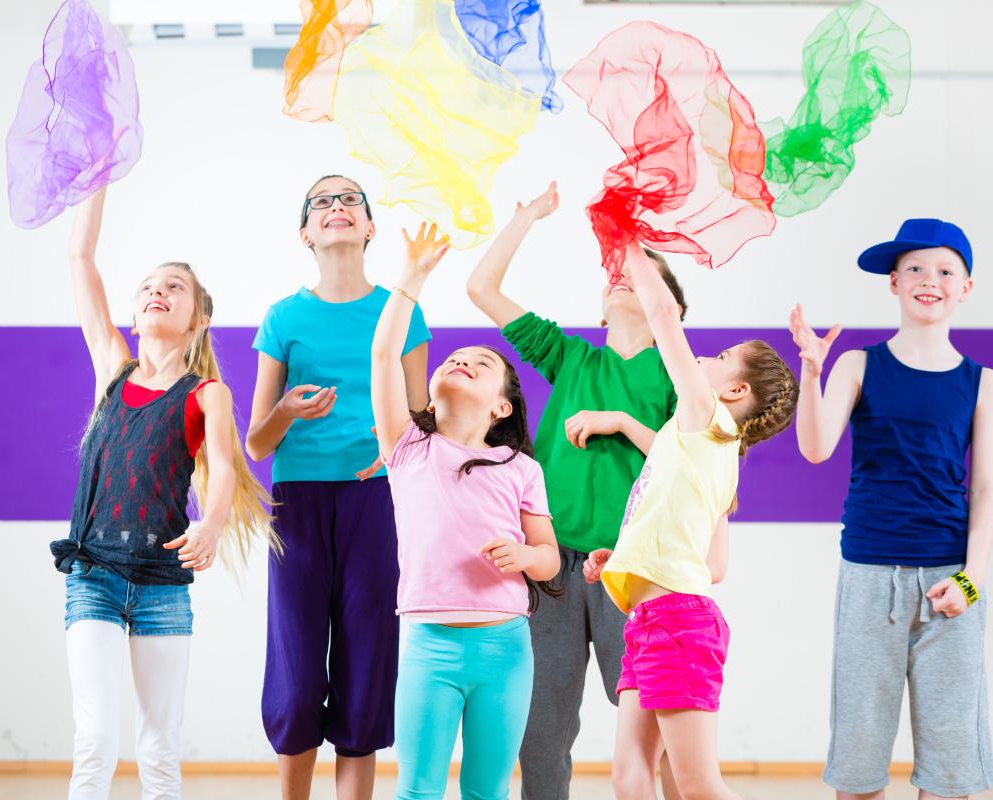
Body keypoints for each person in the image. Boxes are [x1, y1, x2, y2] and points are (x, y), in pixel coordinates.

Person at [466, 182, 690, 800]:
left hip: (635, 567)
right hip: (553, 567)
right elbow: (481, 289)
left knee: (662, 727)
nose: (624, 275)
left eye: (643, 273)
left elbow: (695, 466)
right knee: (542, 729)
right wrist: (527, 217)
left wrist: (623, 424)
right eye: (617, 270)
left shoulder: (681, 377)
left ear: (668, 306)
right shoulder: (570, 358)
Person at [51, 186, 275, 799]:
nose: (159, 290)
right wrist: (97, 181)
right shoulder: (111, 372)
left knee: (159, 749)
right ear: (132, 315)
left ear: (199, 318)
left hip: (160, 583)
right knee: (95, 741)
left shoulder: (208, 394)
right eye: (150, 284)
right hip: (93, 574)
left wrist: (212, 525)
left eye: (175, 286)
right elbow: (80, 259)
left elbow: (224, 470)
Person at [790, 219, 993, 800]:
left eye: (944, 270)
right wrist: (811, 373)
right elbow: (815, 448)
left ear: (966, 286)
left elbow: (986, 491)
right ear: (893, 282)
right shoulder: (858, 365)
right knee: (858, 763)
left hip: (949, 582)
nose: (928, 280)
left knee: (951, 763)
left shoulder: (984, 383)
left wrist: (971, 580)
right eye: (914, 268)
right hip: (869, 579)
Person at [583, 242, 799, 800]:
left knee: (698, 783)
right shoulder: (708, 454)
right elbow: (714, 565)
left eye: (723, 355)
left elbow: (662, 315)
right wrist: (626, 556)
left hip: (676, 624)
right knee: (629, 773)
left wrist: (629, 243)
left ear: (734, 391)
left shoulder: (706, 418)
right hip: (655, 619)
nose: (706, 356)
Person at [246, 175, 430, 800]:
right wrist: (289, 414)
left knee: (365, 674)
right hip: (296, 505)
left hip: (378, 502)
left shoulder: (403, 311)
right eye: (320, 202)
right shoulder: (283, 317)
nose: (336, 207)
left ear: (370, 227)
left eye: (349, 199)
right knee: (297, 684)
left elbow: (422, 417)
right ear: (305, 232)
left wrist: (395, 455)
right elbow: (255, 442)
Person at [372, 222, 561, 800]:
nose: (462, 361)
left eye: (481, 363)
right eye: (455, 358)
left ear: (502, 403)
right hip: (428, 643)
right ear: (429, 392)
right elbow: (383, 353)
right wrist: (412, 277)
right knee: (418, 789)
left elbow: (550, 562)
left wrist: (525, 555)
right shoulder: (407, 448)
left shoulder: (523, 468)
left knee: (487, 790)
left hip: (506, 650)